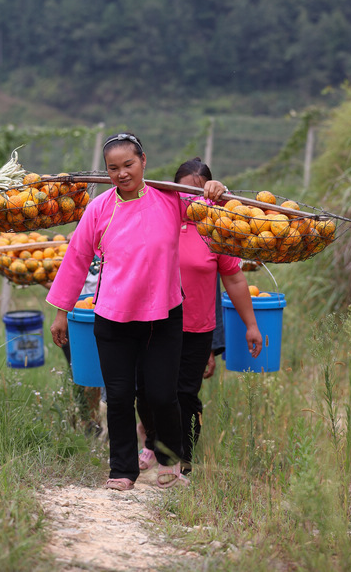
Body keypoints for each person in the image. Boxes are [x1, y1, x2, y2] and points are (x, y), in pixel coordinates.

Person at [47, 133, 252, 491]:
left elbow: (209, 206)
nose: (122, 173)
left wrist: (217, 188)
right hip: (113, 317)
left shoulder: (169, 200)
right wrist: (61, 312)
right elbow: (76, 259)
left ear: (144, 161)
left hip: (163, 316)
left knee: (161, 394)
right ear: (107, 171)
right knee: (121, 396)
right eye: (114, 168)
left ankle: (171, 460)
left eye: (129, 164)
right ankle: (122, 470)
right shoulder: (100, 208)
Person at [136, 158, 263, 475]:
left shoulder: (216, 230)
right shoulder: (158, 220)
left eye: (199, 193)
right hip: (153, 322)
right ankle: (153, 442)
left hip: (196, 328)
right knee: (148, 391)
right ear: (172, 191)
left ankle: (184, 460)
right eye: (183, 192)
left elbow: (234, 279)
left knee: (184, 395)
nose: (191, 199)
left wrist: (251, 325)